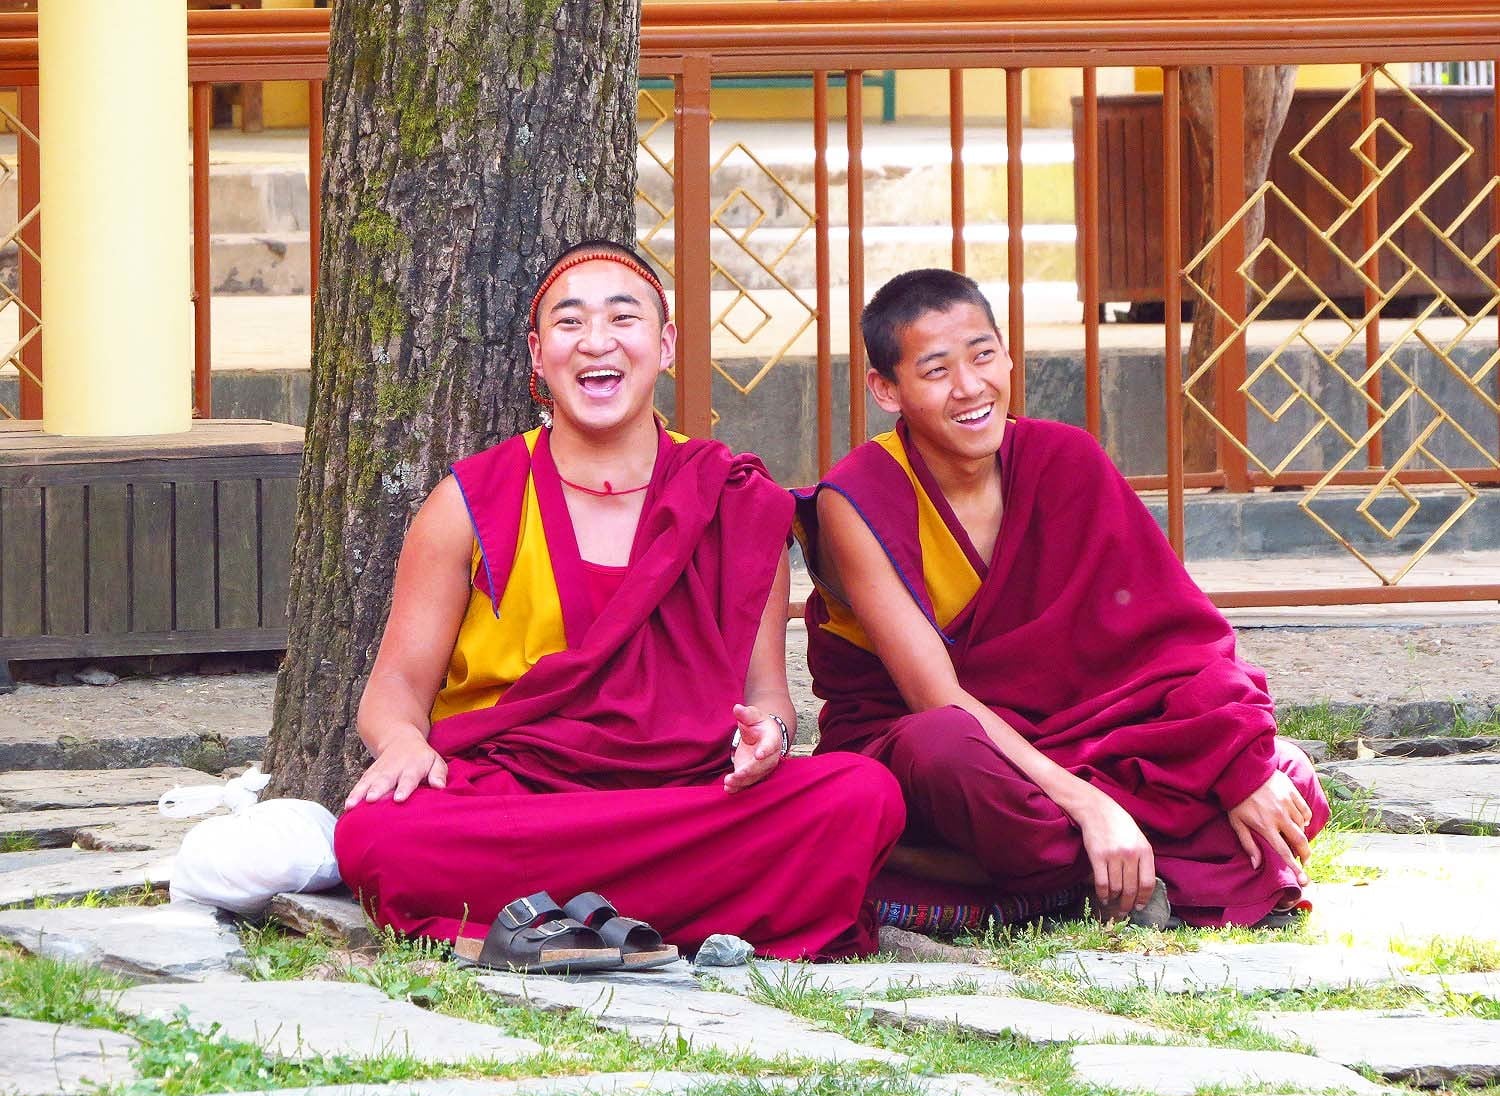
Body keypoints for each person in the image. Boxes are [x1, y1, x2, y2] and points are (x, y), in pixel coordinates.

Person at [334, 240, 904, 965]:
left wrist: (769, 734)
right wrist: (406, 744)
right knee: (378, 834)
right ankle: (662, 912)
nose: (597, 342)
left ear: (664, 345)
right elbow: (395, 687)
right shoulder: (471, 502)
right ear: (538, 355)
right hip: (518, 796)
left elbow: (767, 694)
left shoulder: (733, 497)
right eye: (570, 324)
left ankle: (540, 918)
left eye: (622, 319)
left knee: (862, 792)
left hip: (687, 790)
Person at [795, 268, 1328, 929]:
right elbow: (935, 698)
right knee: (945, 749)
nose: (969, 387)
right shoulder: (858, 498)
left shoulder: (1063, 459)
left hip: (1083, 734)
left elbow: (1181, 643)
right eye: (936, 371)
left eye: (982, 355)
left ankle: (1042, 878)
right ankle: (1115, 862)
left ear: (1007, 355)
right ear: (886, 389)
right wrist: (1092, 806)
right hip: (956, 754)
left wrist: (1239, 762)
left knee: (1280, 776)